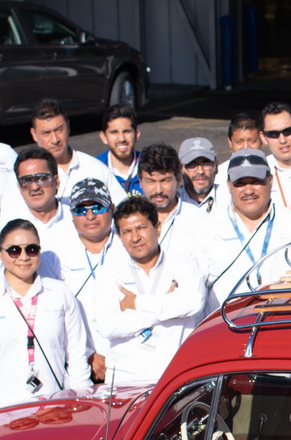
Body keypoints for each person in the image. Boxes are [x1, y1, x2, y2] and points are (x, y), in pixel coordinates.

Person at [0, 219, 94, 415]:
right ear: (0, 254)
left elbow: (76, 354)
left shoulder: (60, 293)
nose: (23, 257)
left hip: (54, 409)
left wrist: (82, 405)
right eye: (14, 250)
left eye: (31, 249)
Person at [95, 197, 207, 390]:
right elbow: (107, 326)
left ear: (157, 227)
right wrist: (168, 305)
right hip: (125, 382)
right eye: (127, 231)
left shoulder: (183, 262)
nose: (135, 237)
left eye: (141, 228)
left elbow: (194, 302)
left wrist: (137, 303)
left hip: (175, 378)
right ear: (120, 237)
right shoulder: (109, 271)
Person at [207, 150, 291, 296]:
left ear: (271, 181)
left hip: (279, 317)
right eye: (240, 183)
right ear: (229, 186)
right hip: (224, 318)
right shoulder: (205, 230)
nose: (248, 190)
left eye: (256, 181)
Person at [57, 178, 122, 381]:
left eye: (98, 207)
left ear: (111, 208)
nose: (90, 216)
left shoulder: (129, 246)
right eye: (81, 210)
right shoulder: (57, 256)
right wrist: (89, 355)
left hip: (129, 361)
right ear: (71, 215)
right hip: (81, 365)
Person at [29, 98, 115, 199]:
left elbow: (122, 210)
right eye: (46, 133)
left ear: (68, 127)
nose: (55, 139)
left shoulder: (95, 169)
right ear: (34, 134)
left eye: (59, 130)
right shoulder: (25, 177)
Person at [137, 143, 202, 257]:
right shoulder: (130, 220)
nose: (158, 190)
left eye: (165, 181)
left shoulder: (198, 219)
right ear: (140, 182)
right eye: (151, 181)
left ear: (178, 179)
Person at [11, 145, 77, 258]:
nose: (34, 187)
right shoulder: (5, 227)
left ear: (56, 181)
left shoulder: (78, 221)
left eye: (42, 179)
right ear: (19, 187)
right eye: (26, 180)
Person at [96, 105, 142, 195]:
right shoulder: (94, 170)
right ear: (104, 137)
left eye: (127, 131)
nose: (121, 139)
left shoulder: (152, 167)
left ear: (136, 135)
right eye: (114, 132)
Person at [179, 137, 221, 213]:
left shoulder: (231, 200)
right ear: (180, 168)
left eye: (206, 163)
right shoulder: (173, 204)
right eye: (192, 164)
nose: (200, 171)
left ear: (216, 167)